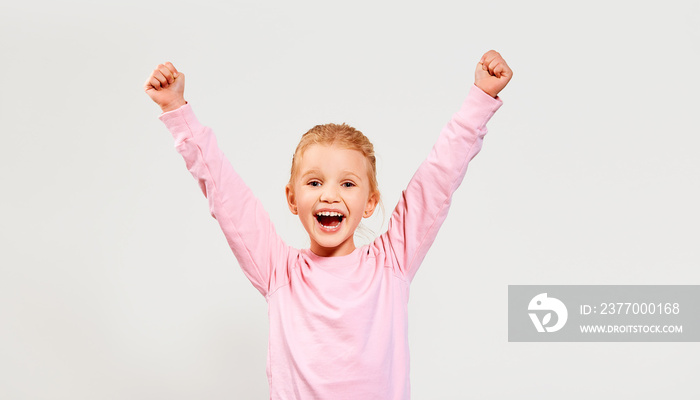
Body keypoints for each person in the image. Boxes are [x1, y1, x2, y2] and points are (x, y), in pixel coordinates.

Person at [144, 50, 512, 399]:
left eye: (347, 184)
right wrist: (177, 110)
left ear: (370, 202)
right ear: (292, 198)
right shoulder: (280, 272)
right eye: (315, 182)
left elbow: (438, 179)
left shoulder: (391, 263)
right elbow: (225, 195)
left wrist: (479, 100)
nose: (329, 196)